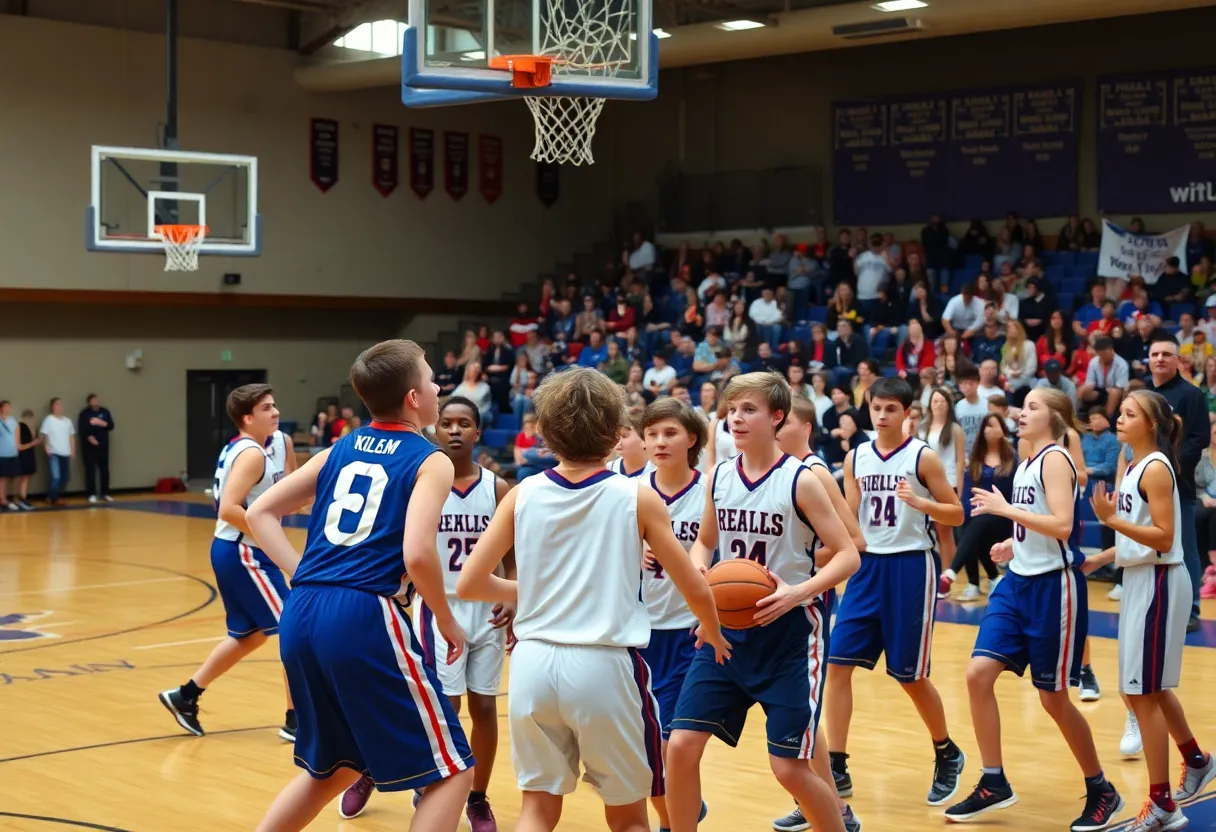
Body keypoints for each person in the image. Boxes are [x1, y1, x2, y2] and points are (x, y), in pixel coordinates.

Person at [455, 367, 730, 832]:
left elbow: (470, 585)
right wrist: (715, 630)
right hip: (604, 666)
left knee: (538, 810)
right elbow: (692, 583)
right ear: (615, 434)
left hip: (532, 665)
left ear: (544, 433)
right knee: (627, 818)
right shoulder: (637, 497)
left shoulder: (522, 494)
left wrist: (529, 592)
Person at [245, 340, 474, 832]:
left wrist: (297, 571)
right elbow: (417, 553)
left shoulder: (337, 448)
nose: (438, 386)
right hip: (364, 611)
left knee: (335, 768)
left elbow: (259, 512)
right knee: (453, 770)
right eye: (432, 378)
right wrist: (449, 621)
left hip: (302, 610)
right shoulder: (431, 460)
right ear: (415, 398)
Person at [665, 372, 862, 832]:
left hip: (791, 638)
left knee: (789, 769)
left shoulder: (802, 480)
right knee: (680, 746)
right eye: (732, 410)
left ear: (777, 417)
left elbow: (850, 553)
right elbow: (705, 543)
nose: (736, 418)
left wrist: (798, 590)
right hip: (727, 635)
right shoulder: (716, 478)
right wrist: (701, 574)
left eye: (748, 409)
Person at [946, 388, 1124, 831]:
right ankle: (993, 781)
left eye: (1032, 407)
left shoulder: (1056, 459)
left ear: (1057, 417)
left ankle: (1102, 788)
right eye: (1021, 407)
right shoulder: (1026, 462)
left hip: (1053, 589)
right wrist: (1013, 540)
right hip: (1017, 584)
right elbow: (1036, 521)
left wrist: (1007, 511)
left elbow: (1063, 525)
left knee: (1054, 700)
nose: (1020, 413)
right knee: (976, 675)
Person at [337, 397, 513, 830]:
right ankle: (374, 770)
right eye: (447, 422)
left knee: (485, 708)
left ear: (477, 432)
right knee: (436, 707)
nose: (454, 430)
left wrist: (512, 595)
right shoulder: (422, 482)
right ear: (436, 430)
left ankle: (476, 797)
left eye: (464, 423)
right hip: (439, 608)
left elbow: (513, 556)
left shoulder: (498, 488)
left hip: (486, 611)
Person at [825, 377, 967, 806]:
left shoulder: (922, 456)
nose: (882, 415)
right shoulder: (856, 457)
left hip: (910, 567)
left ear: (908, 414)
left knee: (910, 675)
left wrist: (923, 504)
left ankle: (947, 751)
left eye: (891, 409)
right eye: (876, 407)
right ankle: (836, 762)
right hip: (867, 568)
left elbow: (957, 514)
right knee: (837, 663)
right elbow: (852, 516)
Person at [1083, 390, 1215, 832]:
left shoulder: (1156, 468)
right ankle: (1196, 760)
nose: (1119, 419)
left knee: (1142, 692)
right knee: (1148, 690)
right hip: (1143, 578)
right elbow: (1139, 538)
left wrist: (1110, 522)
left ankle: (1162, 804)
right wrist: (1100, 558)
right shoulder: (1136, 466)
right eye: (1120, 412)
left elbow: (1162, 536)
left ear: (1152, 424)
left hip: (1159, 581)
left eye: (1129, 414)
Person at [158, 384, 296, 741]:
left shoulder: (281, 443)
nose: (275, 412)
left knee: (249, 636)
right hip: (243, 551)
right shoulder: (249, 454)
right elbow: (228, 508)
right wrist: (272, 535)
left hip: (242, 550)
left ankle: (185, 695)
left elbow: (292, 488)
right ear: (248, 419)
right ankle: (298, 721)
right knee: (296, 629)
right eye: (267, 408)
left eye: (275, 404)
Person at [771, 394, 865, 832]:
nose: (776, 426)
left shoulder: (814, 473)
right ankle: (822, 801)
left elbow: (856, 541)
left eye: (785, 420)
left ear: (805, 428)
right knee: (800, 717)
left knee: (797, 714)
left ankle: (831, 807)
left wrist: (802, 562)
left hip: (809, 601)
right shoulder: (775, 474)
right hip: (774, 603)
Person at [636, 397, 712, 832]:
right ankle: (682, 806)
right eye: (652, 434)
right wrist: (635, 546)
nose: (659, 442)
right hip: (638, 633)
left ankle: (677, 821)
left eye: (670, 433)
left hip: (688, 632)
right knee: (647, 747)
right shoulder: (629, 489)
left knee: (676, 746)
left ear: (692, 439)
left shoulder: (709, 492)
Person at [1145, 332, 1208, 632]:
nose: (1159, 359)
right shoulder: (1145, 395)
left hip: (1177, 484)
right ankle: (1158, 603)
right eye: (1155, 354)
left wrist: (1170, 466)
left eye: (1166, 355)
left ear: (1178, 360)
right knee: (1149, 547)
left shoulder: (1190, 395)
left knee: (1185, 547)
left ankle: (1192, 608)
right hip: (1144, 485)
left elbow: (1199, 439)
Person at [77, 393, 115, 503]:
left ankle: (105, 493)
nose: (95, 402)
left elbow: (111, 425)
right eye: (92, 400)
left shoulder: (105, 412)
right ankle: (91, 493)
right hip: (89, 446)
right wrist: (89, 437)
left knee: (104, 469)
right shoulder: (84, 414)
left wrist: (101, 423)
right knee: (90, 470)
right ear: (89, 402)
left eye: (96, 400)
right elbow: (82, 429)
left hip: (103, 445)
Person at [609, 414, 656, 478]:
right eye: (616, 437)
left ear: (644, 439)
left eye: (624, 436)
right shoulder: (609, 468)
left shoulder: (657, 471)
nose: (618, 441)